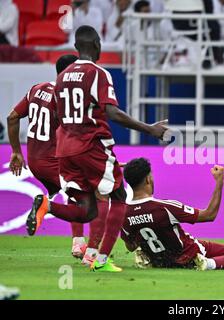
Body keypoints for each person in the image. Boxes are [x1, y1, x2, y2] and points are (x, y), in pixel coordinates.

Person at [26, 25, 168, 272]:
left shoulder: (61, 78)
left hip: (65, 149)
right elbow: (112, 112)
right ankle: (100, 260)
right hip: (91, 146)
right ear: (96, 44)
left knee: (87, 209)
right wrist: (149, 129)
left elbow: (59, 116)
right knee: (119, 198)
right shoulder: (99, 74)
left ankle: (48, 207)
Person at [7, 55, 88, 259]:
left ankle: (78, 241)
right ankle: (81, 245)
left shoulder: (37, 89)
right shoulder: (64, 99)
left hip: (34, 160)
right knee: (85, 195)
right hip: (53, 160)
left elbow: (12, 117)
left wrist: (16, 151)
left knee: (74, 194)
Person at [121, 158, 224, 270]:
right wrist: (219, 182)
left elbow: (131, 246)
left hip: (160, 261)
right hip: (188, 254)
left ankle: (148, 258)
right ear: (148, 179)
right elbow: (209, 215)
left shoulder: (124, 214)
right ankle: (206, 263)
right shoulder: (164, 207)